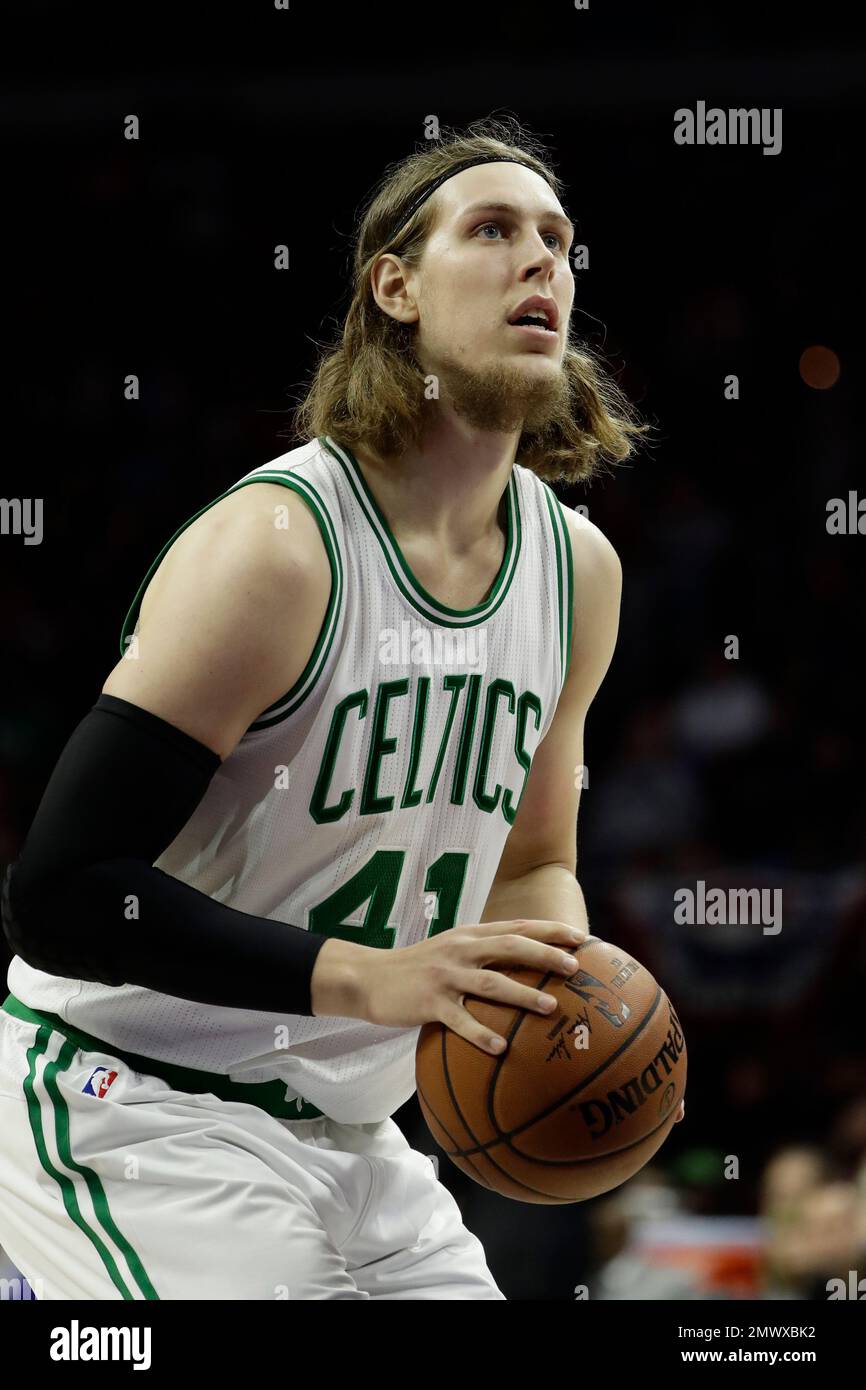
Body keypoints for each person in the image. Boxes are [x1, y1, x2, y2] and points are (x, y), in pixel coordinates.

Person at [0, 116, 673, 1300]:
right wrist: (378, 978)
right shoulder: (280, 549)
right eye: (494, 229)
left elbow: (532, 863)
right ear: (395, 287)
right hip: (134, 1103)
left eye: (560, 241)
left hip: (357, 1139)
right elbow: (59, 890)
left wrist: (552, 991)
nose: (540, 262)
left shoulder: (579, 573)